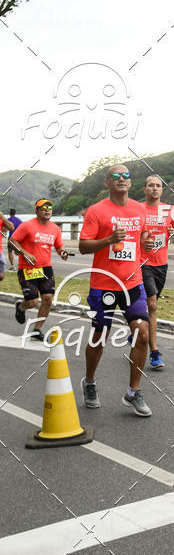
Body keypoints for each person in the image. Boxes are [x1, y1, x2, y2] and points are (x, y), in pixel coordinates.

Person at [78, 166, 154, 417]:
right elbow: (83, 246)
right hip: (103, 285)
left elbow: (142, 236)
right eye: (116, 177)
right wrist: (108, 241)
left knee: (142, 334)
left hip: (133, 282)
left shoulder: (139, 209)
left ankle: (133, 392)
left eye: (126, 176)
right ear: (106, 182)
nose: (121, 180)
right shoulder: (96, 211)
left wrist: (146, 242)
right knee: (100, 336)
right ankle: (89, 381)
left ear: (131, 182)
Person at [136, 174, 174, 370]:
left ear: (162, 190)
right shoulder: (137, 209)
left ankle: (137, 329)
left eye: (158, 185)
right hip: (142, 263)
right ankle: (155, 352)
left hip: (161, 264)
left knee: (149, 307)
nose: (154, 188)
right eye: (150, 185)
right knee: (153, 303)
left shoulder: (170, 210)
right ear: (145, 189)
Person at [10, 199, 69, 340]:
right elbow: (12, 241)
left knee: (48, 299)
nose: (47, 210)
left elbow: (59, 246)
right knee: (33, 302)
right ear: (36, 211)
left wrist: (63, 253)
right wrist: (25, 253)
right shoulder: (27, 226)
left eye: (49, 207)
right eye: (43, 208)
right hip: (27, 269)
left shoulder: (55, 229)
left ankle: (36, 330)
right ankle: (21, 307)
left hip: (45, 269)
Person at [0, 209, 17, 283]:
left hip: (11, 239)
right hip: (17, 240)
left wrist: (3, 218)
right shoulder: (18, 220)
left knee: (10, 252)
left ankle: (13, 266)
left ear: (10, 213)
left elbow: (8, 228)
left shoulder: (4, 219)